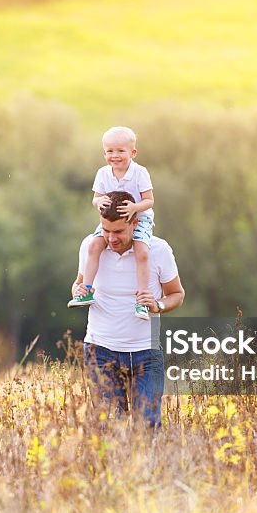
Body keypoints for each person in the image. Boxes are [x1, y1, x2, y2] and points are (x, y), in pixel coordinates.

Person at [71, 191, 184, 426]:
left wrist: (158, 305)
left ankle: (147, 464)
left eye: (118, 232)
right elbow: (78, 282)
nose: (111, 238)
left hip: (145, 354)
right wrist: (78, 291)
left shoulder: (158, 250)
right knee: (109, 427)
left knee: (148, 426)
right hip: (100, 351)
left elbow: (177, 294)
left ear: (135, 222)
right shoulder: (90, 247)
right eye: (106, 230)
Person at [68, 126, 155, 320]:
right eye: (110, 151)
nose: (115, 155)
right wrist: (99, 202)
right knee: (94, 245)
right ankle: (88, 289)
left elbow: (149, 201)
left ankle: (141, 301)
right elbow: (95, 199)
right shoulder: (103, 174)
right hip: (112, 222)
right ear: (104, 153)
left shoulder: (140, 172)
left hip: (139, 219)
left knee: (141, 251)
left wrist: (135, 208)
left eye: (120, 151)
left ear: (133, 153)